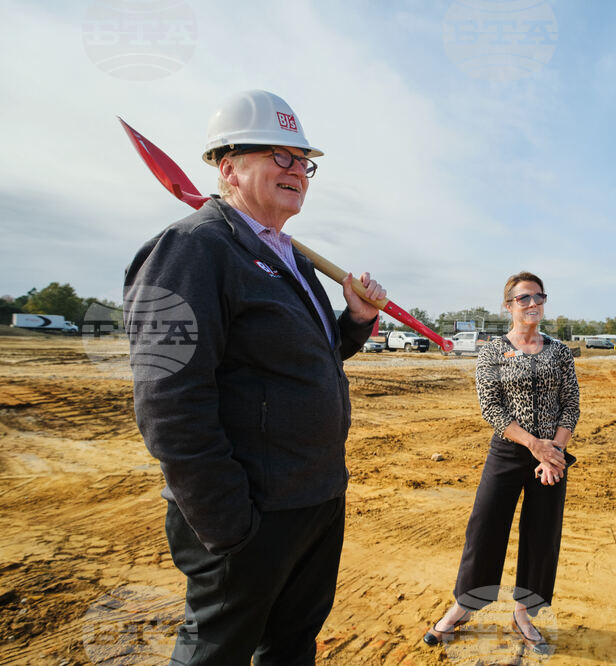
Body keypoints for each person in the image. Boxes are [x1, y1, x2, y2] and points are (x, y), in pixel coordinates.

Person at [123, 89, 385, 664]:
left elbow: (308, 358)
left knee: (290, 649)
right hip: (249, 517)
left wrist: (356, 321)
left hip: (314, 502)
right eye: (280, 156)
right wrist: (228, 523)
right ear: (229, 167)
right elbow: (168, 401)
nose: (297, 172)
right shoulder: (192, 249)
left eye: (303, 162)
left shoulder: (286, 257)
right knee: (217, 653)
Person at [423, 271, 580, 655]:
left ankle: (524, 614)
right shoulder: (494, 350)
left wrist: (553, 454)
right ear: (508, 305)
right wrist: (534, 445)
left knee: (542, 536)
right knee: (485, 527)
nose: (533, 304)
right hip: (509, 451)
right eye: (524, 298)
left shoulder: (559, 351)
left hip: (553, 459)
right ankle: (464, 607)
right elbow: (491, 407)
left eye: (538, 297)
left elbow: (571, 405)